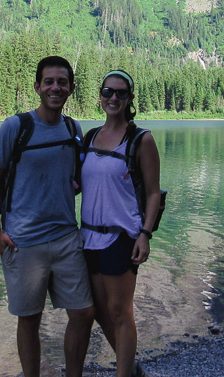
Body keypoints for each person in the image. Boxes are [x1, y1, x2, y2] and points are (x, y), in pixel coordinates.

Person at [0, 56, 95, 377]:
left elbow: (74, 180)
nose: (55, 88)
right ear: (37, 87)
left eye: (62, 82)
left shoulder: (74, 129)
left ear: (71, 88)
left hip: (65, 238)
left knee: (84, 313)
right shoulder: (16, 127)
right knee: (30, 319)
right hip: (23, 242)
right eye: (49, 82)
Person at [79, 70, 161, 377]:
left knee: (120, 312)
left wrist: (145, 234)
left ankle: (123, 373)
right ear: (100, 96)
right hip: (87, 238)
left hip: (121, 236)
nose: (114, 98)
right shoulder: (89, 137)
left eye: (121, 93)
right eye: (108, 92)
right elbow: (79, 183)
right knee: (99, 312)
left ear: (130, 99)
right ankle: (132, 368)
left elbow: (153, 193)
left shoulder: (141, 140)